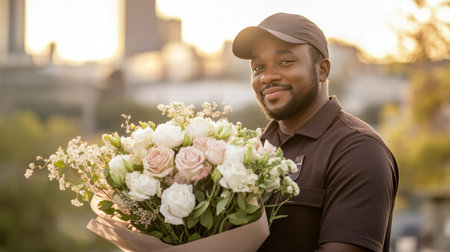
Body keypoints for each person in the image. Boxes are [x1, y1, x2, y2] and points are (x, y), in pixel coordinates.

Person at [232, 13, 399, 252]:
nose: (267, 76)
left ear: (323, 70)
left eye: (285, 62)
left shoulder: (358, 150)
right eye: (258, 67)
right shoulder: (249, 152)